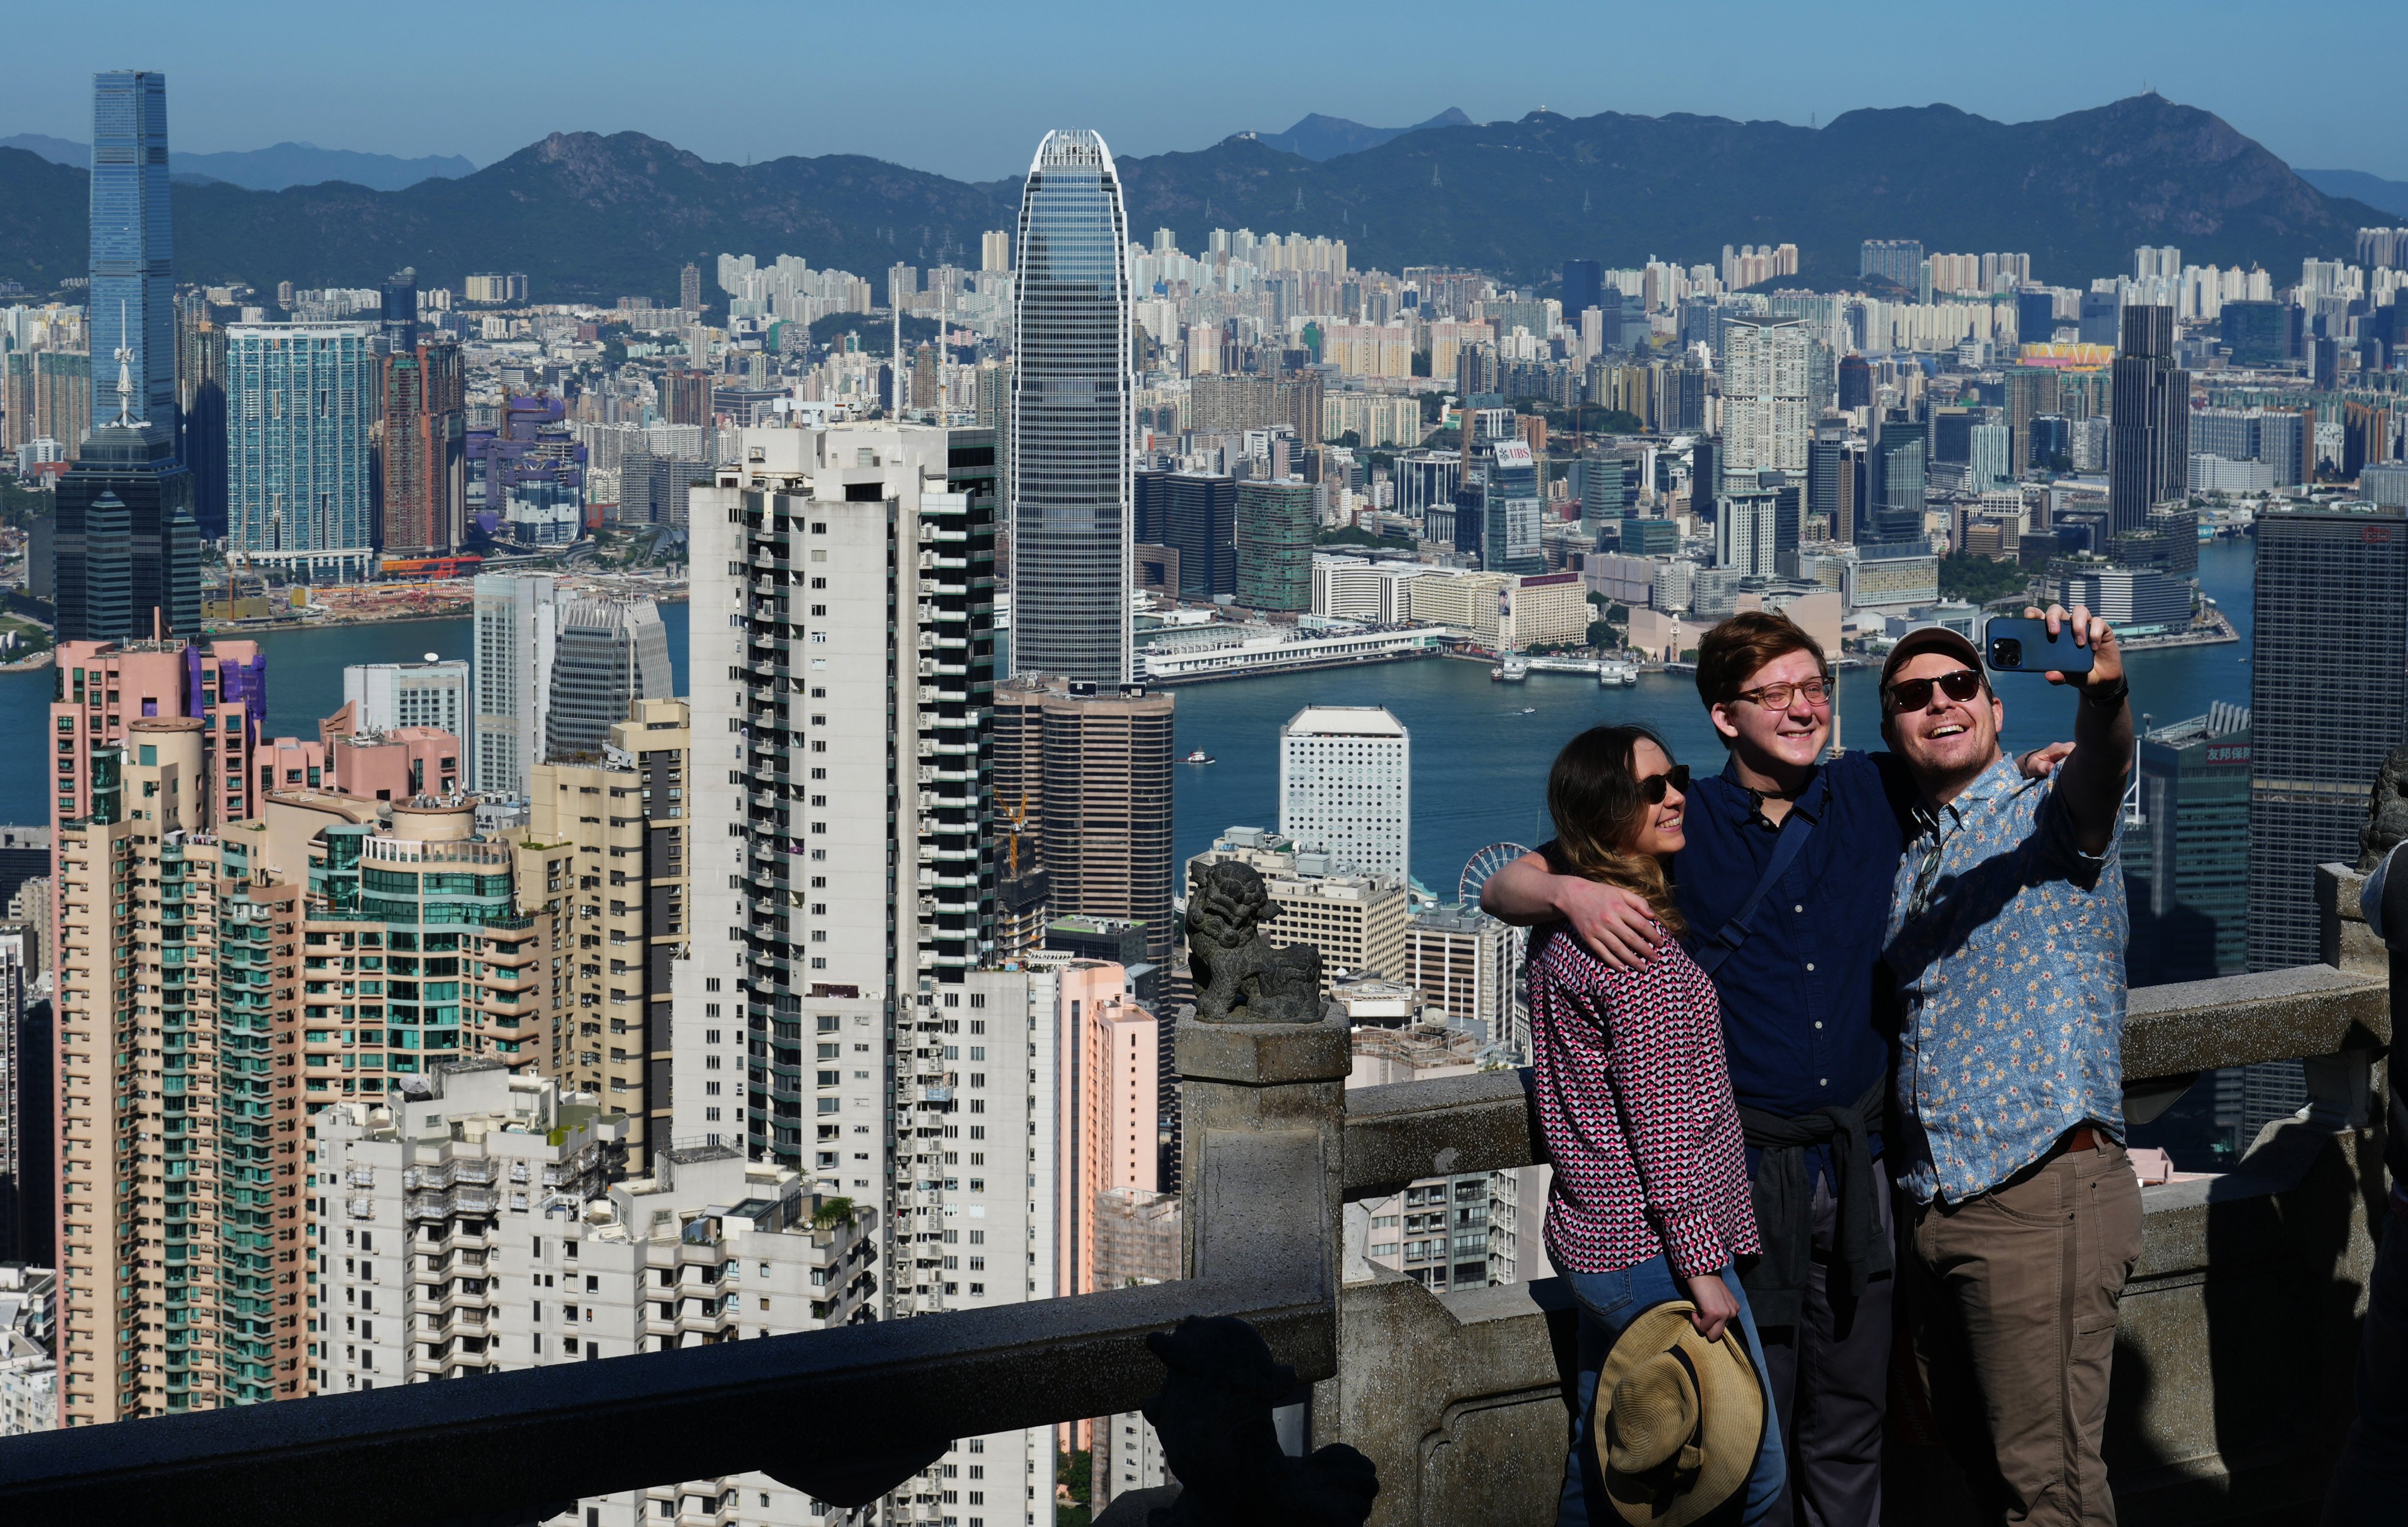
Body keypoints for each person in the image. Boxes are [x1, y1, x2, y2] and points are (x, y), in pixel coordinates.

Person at [1491, 611, 2045, 1527]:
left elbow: (1966, 764)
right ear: (1724, 716)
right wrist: (1565, 888)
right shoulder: (1680, 815)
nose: (1803, 707)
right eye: (1774, 693)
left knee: (1852, 1417)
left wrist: (2033, 771)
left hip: (1862, 1161)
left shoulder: (1873, 789)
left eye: (1814, 687)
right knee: (1747, 1418)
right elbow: (1501, 885)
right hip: (1744, 1180)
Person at [1878, 610, 2138, 1527]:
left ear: (1994, 707)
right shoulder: (1909, 858)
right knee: (1988, 1483)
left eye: (1958, 686)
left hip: (2042, 1191)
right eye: (1913, 696)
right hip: (1936, 1210)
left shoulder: (2049, 813)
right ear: (1892, 728)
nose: (1939, 702)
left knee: (2051, 1494)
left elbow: (2104, 772)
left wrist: (2104, 696)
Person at [1520, 724, 1785, 1526]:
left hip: (1594, 1241)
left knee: (1607, 1457)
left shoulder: (1565, 931)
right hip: (1658, 1254)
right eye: (1651, 788)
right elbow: (1664, 1136)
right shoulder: (1638, 951)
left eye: (1676, 776)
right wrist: (1703, 1267)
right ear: (1605, 814)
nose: (1677, 795)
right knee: (1752, 1472)